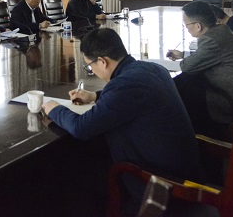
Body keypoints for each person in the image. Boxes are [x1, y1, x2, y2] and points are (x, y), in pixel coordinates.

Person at [42, 28, 203, 202]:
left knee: (77, 176)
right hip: (182, 168)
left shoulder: (124, 85)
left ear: (102, 61)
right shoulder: (151, 68)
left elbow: (81, 128)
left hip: (162, 182)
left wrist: (54, 108)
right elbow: (131, 98)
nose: (92, 70)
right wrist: (94, 96)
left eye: (90, 66)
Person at [167, 1, 233, 140]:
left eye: (186, 24)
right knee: (187, 85)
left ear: (198, 26)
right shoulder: (221, 31)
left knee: (181, 90)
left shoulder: (210, 39)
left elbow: (187, 67)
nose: (186, 28)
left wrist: (185, 59)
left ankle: (193, 140)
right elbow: (212, 56)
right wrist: (184, 54)